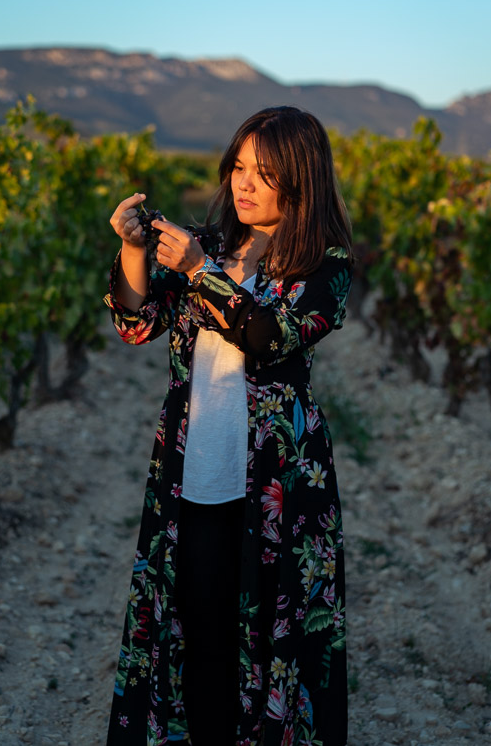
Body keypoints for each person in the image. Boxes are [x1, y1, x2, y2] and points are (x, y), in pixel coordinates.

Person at [104, 105, 354, 746]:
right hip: (194, 467)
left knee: (269, 624)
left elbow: (268, 338)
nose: (243, 183)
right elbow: (135, 323)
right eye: (238, 167)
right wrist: (135, 251)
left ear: (299, 181)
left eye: (263, 173)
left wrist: (196, 274)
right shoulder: (209, 245)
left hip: (278, 481)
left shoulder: (324, 267)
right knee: (198, 621)